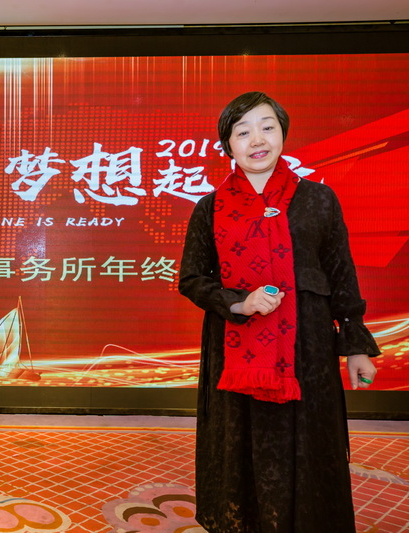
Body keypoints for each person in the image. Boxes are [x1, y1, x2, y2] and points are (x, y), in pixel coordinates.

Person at [178, 91, 380, 533]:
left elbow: (341, 274)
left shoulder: (318, 200)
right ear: (227, 145)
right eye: (243, 131)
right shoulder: (209, 208)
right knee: (239, 446)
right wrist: (240, 301)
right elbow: (191, 279)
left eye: (267, 127)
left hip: (308, 349)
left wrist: (356, 347)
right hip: (235, 353)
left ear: (283, 134)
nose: (257, 140)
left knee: (309, 443)